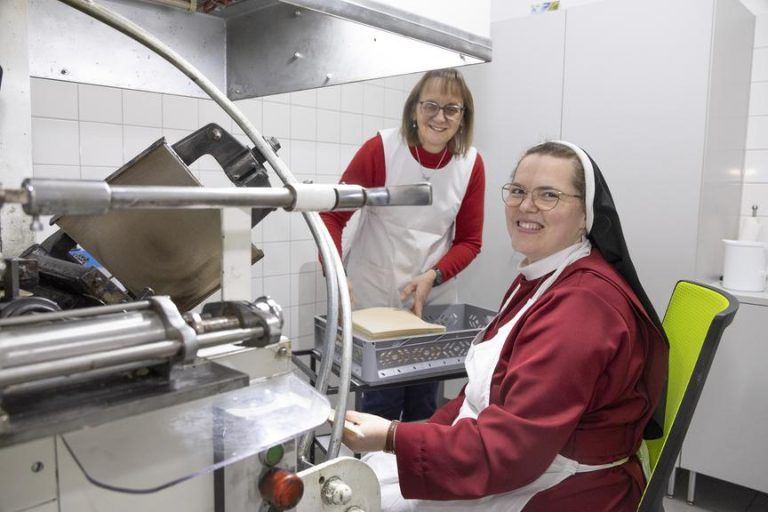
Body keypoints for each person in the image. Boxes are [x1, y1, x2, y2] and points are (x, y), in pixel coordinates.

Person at [341, 141, 669, 512]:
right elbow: (477, 396)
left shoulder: (582, 308)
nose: (526, 206)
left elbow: (514, 450)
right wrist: (416, 436)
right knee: (367, 480)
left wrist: (392, 436)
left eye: (549, 195)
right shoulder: (541, 276)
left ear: (585, 215)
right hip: (513, 456)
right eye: (518, 191)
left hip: (564, 483)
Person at [320, 68, 485, 422]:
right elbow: (331, 216)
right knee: (379, 407)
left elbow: (470, 241)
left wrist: (434, 275)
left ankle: (413, 460)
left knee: (424, 405)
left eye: (452, 109)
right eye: (431, 105)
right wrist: (335, 273)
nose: (440, 117)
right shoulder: (381, 149)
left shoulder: (470, 164)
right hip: (375, 293)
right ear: (414, 108)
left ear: (463, 117)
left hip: (430, 299)